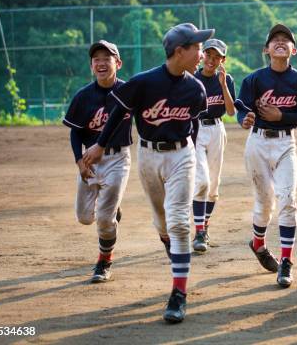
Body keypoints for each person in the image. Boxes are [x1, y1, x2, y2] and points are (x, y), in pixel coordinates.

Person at [83, 23, 213, 323]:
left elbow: (193, 124)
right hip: (148, 156)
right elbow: (119, 114)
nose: (200, 53)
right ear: (179, 51)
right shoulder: (144, 83)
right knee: (163, 222)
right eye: (196, 48)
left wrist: (190, 155)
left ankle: (178, 294)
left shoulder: (196, 87)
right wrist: (100, 146)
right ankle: (171, 244)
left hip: (182, 154)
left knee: (180, 222)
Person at [234, 23, 297, 288]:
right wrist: (243, 119)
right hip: (257, 142)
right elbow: (242, 109)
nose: (280, 42)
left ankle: (286, 262)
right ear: (266, 50)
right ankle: (258, 243)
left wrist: (283, 116)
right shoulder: (255, 79)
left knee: (288, 200)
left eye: (286, 40)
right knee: (264, 204)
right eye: (275, 40)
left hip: (285, 144)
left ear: (294, 49)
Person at [63, 40, 132, 283]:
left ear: (118, 63)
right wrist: (79, 162)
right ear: (92, 65)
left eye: (107, 58)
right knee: (84, 217)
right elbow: (75, 132)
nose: (101, 63)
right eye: (97, 60)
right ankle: (114, 209)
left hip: (118, 158)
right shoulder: (83, 96)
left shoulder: (128, 91)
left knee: (104, 219)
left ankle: (104, 261)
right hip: (90, 160)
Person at [192, 38, 236, 252]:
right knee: (202, 180)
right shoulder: (191, 78)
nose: (211, 59)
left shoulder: (226, 79)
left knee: (214, 184)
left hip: (217, 130)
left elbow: (230, 111)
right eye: (208, 55)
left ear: (223, 59)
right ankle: (199, 231)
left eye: (216, 56)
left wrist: (223, 85)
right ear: (202, 56)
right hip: (196, 130)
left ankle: (204, 225)